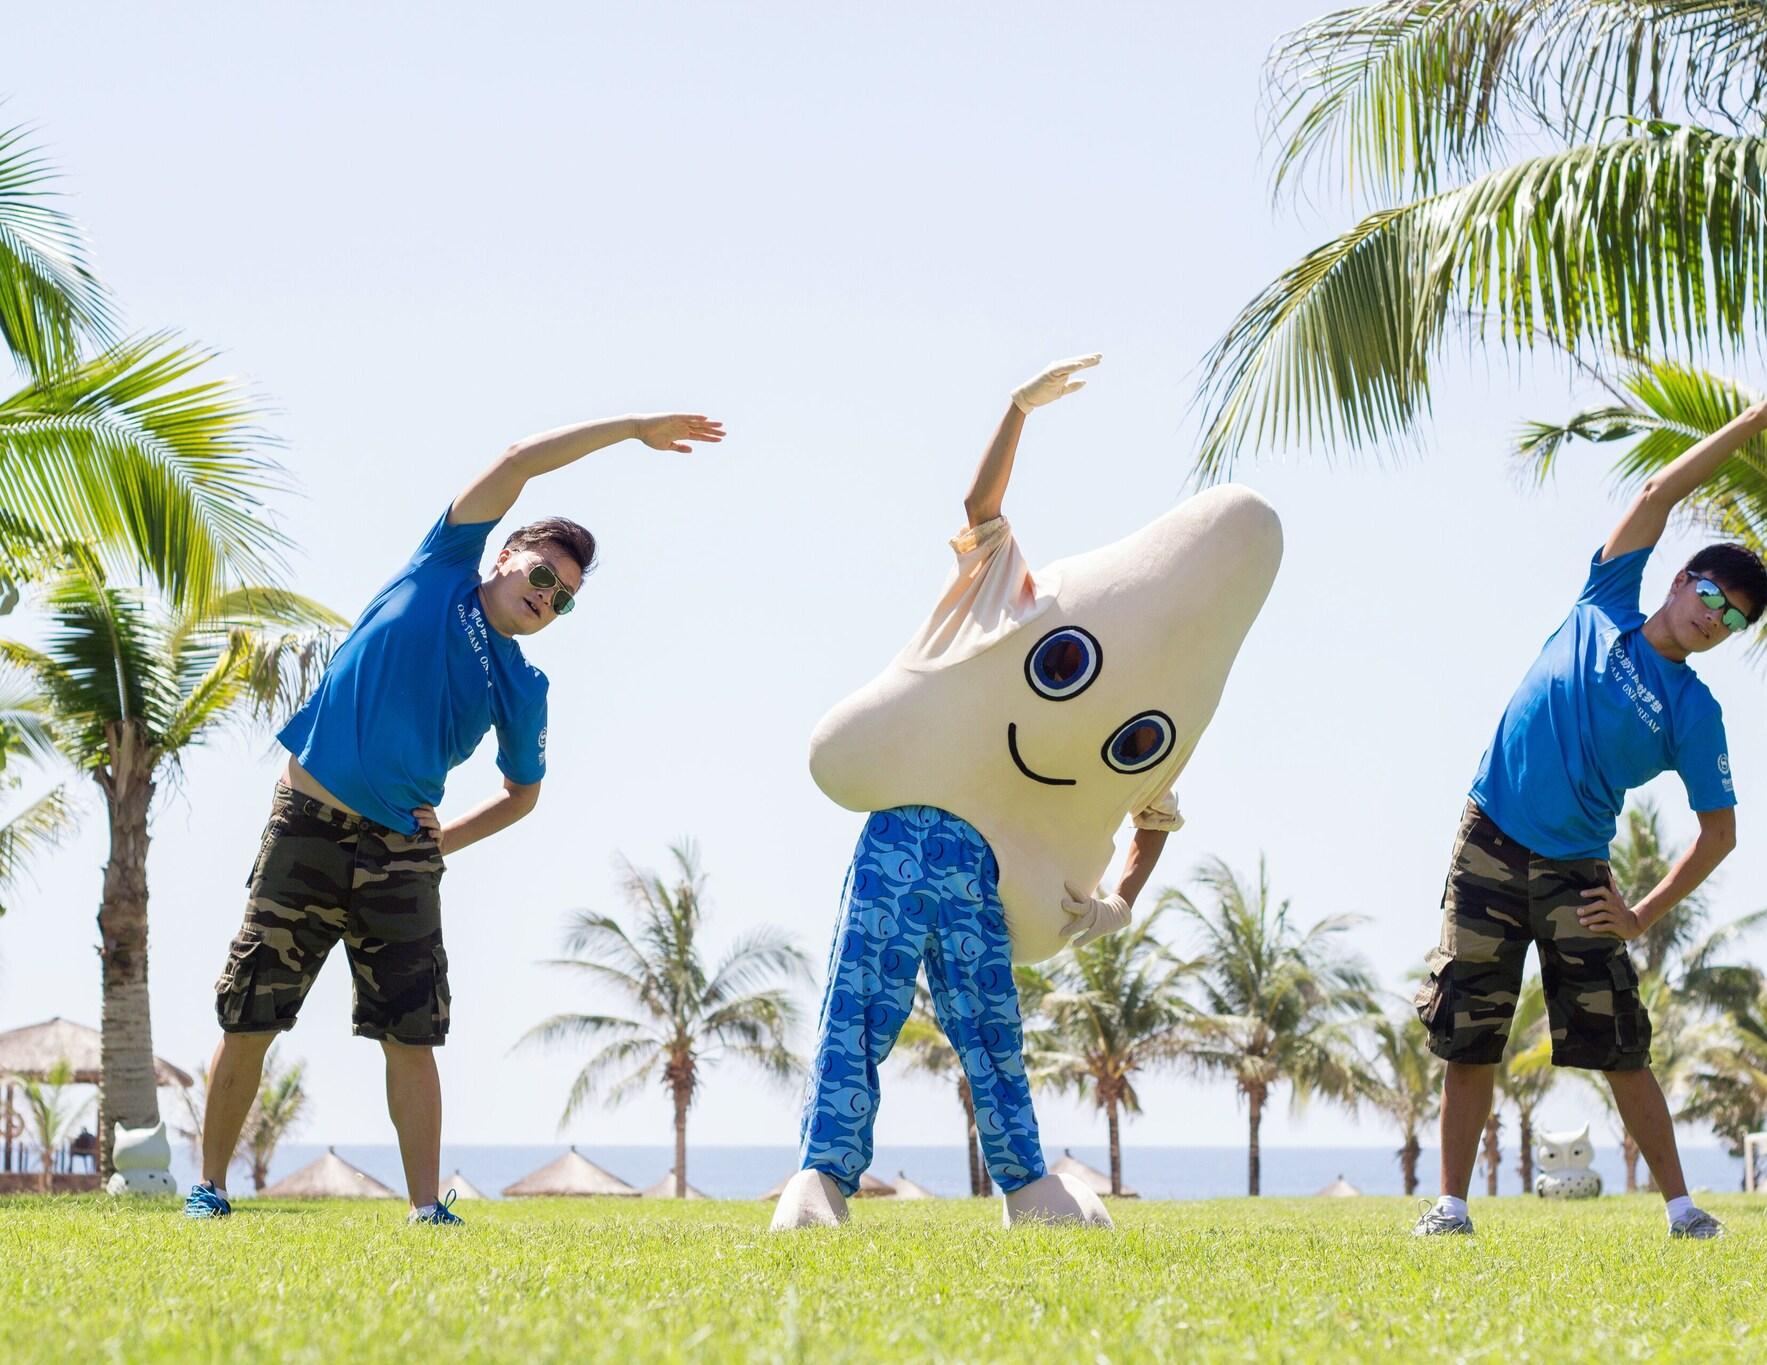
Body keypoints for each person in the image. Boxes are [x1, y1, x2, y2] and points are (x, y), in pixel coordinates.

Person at [774, 355, 1283, 1229]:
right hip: (899, 839)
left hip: (984, 873)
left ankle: (1025, 1186)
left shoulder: (1168, 711)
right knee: (859, 1005)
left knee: (991, 1031)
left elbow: (1154, 815)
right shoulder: (1014, 601)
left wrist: (1119, 900)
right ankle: (823, 1177)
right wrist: (1017, 408)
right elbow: (982, 508)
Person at [184, 409, 724, 1224]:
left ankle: (425, 1208)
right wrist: (635, 428)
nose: (545, 597)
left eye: (562, 600)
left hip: (401, 855)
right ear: (504, 555)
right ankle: (210, 1189)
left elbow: (523, 792)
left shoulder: (523, 686)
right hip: (307, 824)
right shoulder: (440, 565)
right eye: (541, 575)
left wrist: (444, 843)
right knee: (250, 1013)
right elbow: (519, 459)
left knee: (412, 1035)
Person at [1412, 372, 1767, 1240]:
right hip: (1488, 837)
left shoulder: (1695, 713)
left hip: (1577, 874)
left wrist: (1640, 911)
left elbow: (1720, 832)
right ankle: (1450, 1208)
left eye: (1734, 621)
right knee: (1469, 1030)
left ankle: (1683, 1209)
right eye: (1711, 597)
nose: (1715, 620)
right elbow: (1658, 490)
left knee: (1619, 1043)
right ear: (1680, 580)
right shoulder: (1604, 600)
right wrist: (1756, 420)